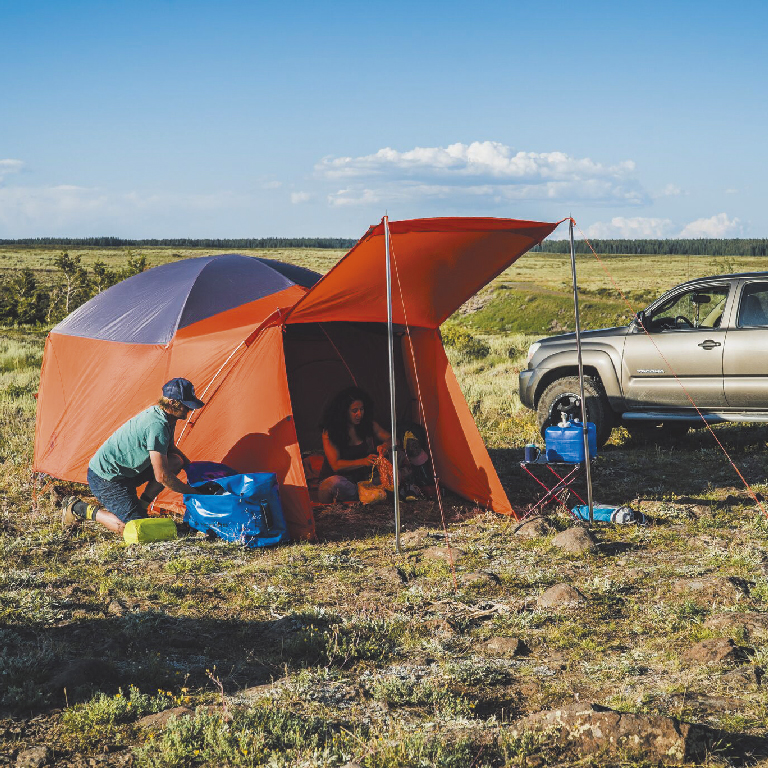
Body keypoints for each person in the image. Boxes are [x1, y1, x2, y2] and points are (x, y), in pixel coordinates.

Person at [61, 377, 216, 535]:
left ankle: (141, 507)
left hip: (128, 471)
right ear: (172, 403)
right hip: (106, 478)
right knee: (131, 528)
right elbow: (162, 476)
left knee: (176, 461)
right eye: (185, 406)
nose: (189, 410)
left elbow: (168, 447)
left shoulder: (169, 417)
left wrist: (191, 467)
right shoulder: (157, 425)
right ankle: (77, 507)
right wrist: (194, 493)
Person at [317, 387, 391, 503]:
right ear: (344, 412)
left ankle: (366, 495)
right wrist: (363, 461)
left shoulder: (368, 425)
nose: (359, 414)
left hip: (362, 481)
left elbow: (393, 439)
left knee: (396, 470)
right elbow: (335, 465)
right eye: (354, 411)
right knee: (334, 483)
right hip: (341, 482)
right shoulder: (330, 432)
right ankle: (367, 496)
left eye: (362, 409)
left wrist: (385, 446)